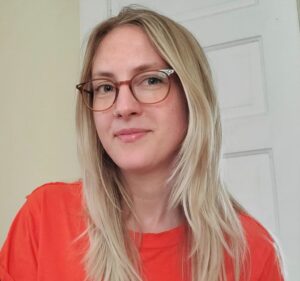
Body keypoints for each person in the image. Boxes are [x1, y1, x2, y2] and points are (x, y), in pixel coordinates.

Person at [0, 6, 284, 281]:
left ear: (191, 96)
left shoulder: (251, 251)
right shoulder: (45, 218)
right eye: (105, 87)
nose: (123, 107)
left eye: (150, 81)